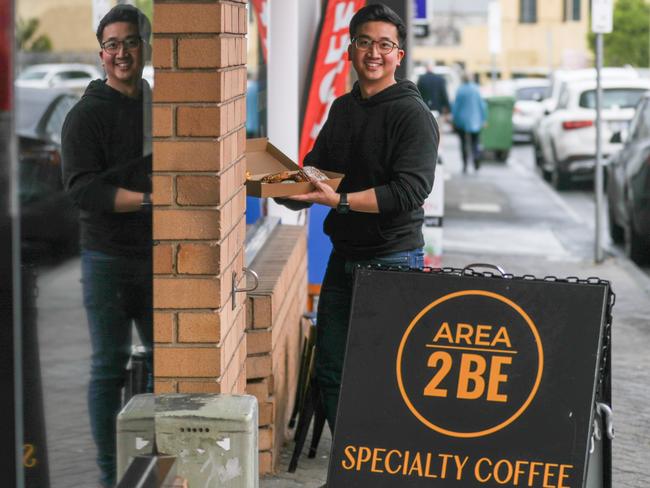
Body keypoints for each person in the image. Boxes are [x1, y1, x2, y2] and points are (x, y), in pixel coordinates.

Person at [279, 3, 439, 433]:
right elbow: (317, 169)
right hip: (343, 259)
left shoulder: (412, 114)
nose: (374, 52)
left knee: (382, 378)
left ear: (399, 56)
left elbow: (409, 192)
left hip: (392, 261)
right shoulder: (344, 109)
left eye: (385, 44)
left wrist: (341, 201)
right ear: (350, 50)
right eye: (365, 42)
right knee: (332, 372)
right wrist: (275, 183)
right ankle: (349, 468)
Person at [61, 5, 152, 487]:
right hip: (108, 260)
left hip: (158, 259)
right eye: (113, 44)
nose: (122, 52)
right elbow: (83, 190)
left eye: (131, 42)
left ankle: (154, 465)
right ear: (101, 54)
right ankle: (108, 474)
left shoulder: (158, 105)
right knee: (108, 368)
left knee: (168, 360)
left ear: (145, 47)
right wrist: (150, 202)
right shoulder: (86, 115)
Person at [451, 72, 486, 173]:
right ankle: (476, 159)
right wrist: (484, 119)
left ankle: (465, 164)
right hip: (476, 120)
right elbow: (482, 105)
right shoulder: (476, 89)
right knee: (475, 142)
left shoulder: (460, 90)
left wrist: (454, 118)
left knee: (463, 143)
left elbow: (456, 106)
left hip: (462, 120)